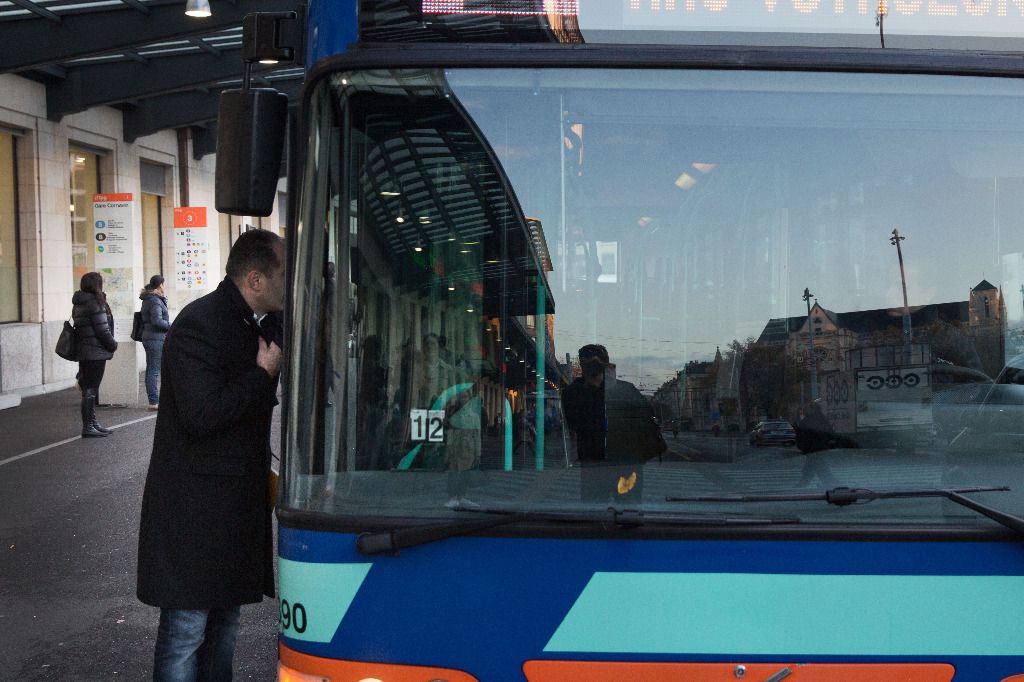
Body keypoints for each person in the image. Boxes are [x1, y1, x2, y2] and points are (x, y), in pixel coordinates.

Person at [136, 229, 285, 682]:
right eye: (284, 272)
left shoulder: (253, 321)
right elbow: (202, 414)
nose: (290, 281)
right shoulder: (202, 322)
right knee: (186, 631)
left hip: (229, 511)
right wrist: (261, 376)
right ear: (256, 279)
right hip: (195, 512)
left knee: (226, 625)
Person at [561, 344, 666, 503]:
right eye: (588, 364)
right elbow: (574, 423)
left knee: (617, 512)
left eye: (594, 363)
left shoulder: (575, 392)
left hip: (619, 464)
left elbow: (646, 422)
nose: (591, 368)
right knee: (614, 512)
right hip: (602, 464)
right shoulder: (575, 392)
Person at [72, 271, 117, 438]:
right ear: (96, 285)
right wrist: (113, 345)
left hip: (84, 351)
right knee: (91, 390)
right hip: (95, 352)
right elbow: (103, 330)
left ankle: (92, 423)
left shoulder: (79, 303)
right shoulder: (95, 303)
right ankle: (89, 426)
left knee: (88, 389)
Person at [139, 275, 170, 410]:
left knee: (152, 369)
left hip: (150, 337)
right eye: (164, 284)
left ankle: (154, 400)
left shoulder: (149, 299)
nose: (165, 287)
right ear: (160, 285)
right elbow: (157, 320)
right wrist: (171, 325)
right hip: (155, 338)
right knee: (154, 370)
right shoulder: (155, 300)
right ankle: (153, 402)